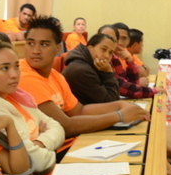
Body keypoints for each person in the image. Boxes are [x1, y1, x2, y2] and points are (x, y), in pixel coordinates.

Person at [17, 16, 150, 144]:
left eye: (44, 44)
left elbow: (79, 111)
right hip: (54, 153)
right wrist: (119, 115)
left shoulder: (55, 75)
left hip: (72, 141)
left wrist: (120, 106)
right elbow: (65, 126)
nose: (36, 50)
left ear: (57, 48)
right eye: (30, 43)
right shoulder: (24, 76)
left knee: (142, 140)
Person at [0, 40, 65, 175]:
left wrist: (39, 143)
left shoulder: (18, 97)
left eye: (17, 66)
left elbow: (58, 127)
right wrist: (47, 145)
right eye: (4, 68)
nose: (14, 74)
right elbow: (36, 163)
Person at [97, 25, 161, 99]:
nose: (120, 43)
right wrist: (152, 91)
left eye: (123, 38)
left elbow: (128, 80)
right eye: (106, 37)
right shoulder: (100, 57)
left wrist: (130, 62)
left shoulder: (115, 57)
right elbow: (120, 86)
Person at [63, 33, 120, 105]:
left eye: (110, 52)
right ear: (90, 48)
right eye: (103, 49)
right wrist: (108, 73)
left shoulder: (91, 66)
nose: (106, 56)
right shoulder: (82, 71)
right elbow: (111, 102)